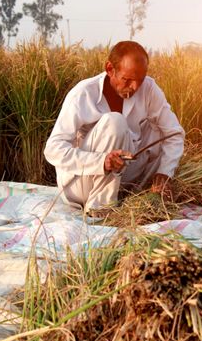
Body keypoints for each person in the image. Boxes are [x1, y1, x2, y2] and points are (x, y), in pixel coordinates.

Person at [43, 41, 185, 213]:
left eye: (140, 80)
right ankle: (100, 210)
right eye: (127, 80)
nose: (134, 87)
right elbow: (52, 149)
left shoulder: (148, 88)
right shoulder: (83, 93)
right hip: (83, 183)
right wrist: (102, 161)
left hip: (126, 183)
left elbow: (174, 134)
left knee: (158, 131)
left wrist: (164, 173)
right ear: (110, 69)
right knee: (115, 122)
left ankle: (146, 194)